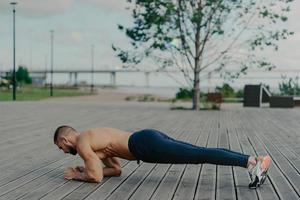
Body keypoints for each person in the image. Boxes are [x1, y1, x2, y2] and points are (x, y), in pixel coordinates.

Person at [53, 125, 271, 189]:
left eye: (60, 147)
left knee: (199, 154)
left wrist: (77, 174)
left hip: (144, 145)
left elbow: (96, 177)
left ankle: (252, 162)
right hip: (146, 138)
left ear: (64, 140)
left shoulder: (82, 144)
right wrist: (88, 170)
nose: (62, 152)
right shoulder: (91, 138)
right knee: (199, 152)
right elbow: (116, 171)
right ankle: (253, 159)